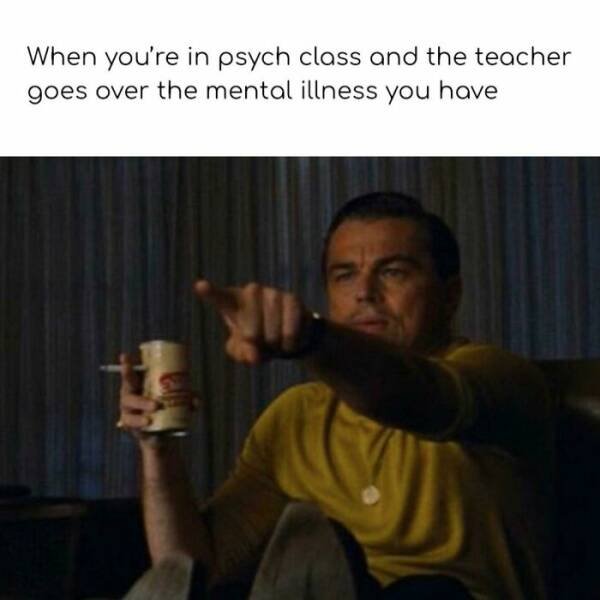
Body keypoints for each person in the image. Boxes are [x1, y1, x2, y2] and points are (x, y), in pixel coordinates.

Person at [118, 193, 556, 599]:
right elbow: (192, 568)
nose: (365, 292)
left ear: (450, 294)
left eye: (394, 272)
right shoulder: (295, 416)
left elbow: (416, 395)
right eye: (345, 275)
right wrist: (156, 449)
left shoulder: (499, 376)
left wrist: (311, 338)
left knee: (428, 592)